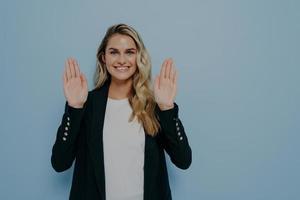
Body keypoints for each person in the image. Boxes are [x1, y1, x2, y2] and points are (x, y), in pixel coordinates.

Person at [51, 23, 192, 200]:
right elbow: (59, 163)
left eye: (129, 52)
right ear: (103, 58)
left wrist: (167, 108)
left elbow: (183, 160)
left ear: (138, 57)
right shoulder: (87, 104)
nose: (122, 60)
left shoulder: (153, 105)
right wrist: (74, 108)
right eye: (114, 52)